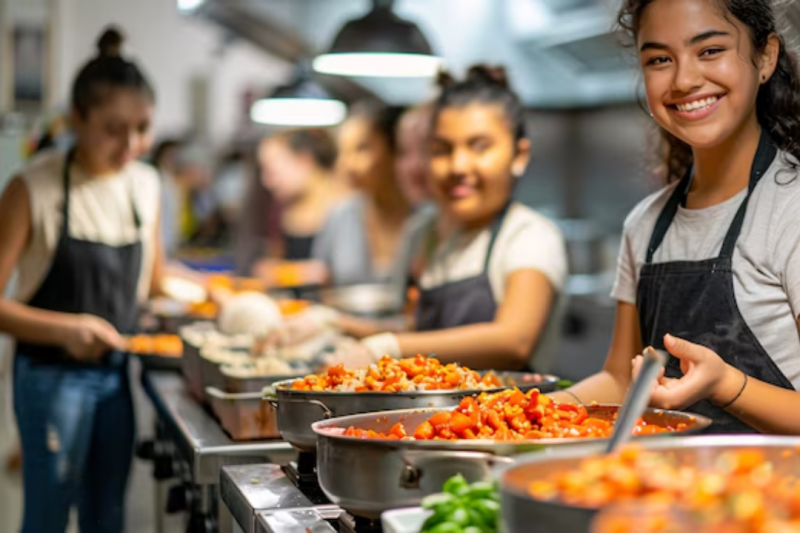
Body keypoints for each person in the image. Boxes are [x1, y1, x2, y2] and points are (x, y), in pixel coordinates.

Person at [552, 0, 800, 435]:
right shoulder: (644, 225)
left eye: (710, 51)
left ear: (766, 57)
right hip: (670, 491)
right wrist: (523, 412)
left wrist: (726, 383)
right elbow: (618, 380)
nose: (684, 79)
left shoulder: (790, 210)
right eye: (660, 59)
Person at [0, 27, 164, 532]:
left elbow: (155, 285)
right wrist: (69, 330)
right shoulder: (33, 186)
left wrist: (217, 297)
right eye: (114, 129)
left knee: (106, 517)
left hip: (116, 377)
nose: (131, 144)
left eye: (142, 128)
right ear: (77, 120)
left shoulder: (145, 184)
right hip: (50, 376)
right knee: (48, 519)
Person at [322, 66, 568, 371]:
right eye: (442, 150)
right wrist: (333, 325)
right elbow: (419, 334)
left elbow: (513, 340)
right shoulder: (434, 237)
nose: (458, 165)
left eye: (479, 147)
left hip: (508, 416)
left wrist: (388, 347)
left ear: (519, 155)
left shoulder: (528, 234)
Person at [311, 102, 414, 287]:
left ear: (395, 149)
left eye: (362, 149)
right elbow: (322, 282)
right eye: (342, 152)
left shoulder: (425, 218)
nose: (347, 164)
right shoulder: (340, 217)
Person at [255, 129, 348, 262]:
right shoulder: (281, 214)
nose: (266, 182)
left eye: (271, 171)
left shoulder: (347, 211)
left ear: (304, 161)